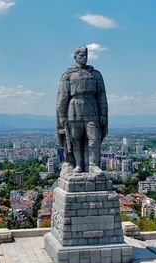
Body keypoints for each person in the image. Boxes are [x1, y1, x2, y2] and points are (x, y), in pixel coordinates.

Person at [56, 45, 108, 174]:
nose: (84, 58)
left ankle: (93, 164)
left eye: (86, 55)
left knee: (94, 139)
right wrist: (61, 116)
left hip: (92, 108)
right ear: (75, 57)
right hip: (74, 109)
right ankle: (78, 164)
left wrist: (103, 112)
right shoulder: (68, 75)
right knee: (75, 140)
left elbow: (101, 95)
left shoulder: (96, 74)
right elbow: (62, 96)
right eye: (81, 55)